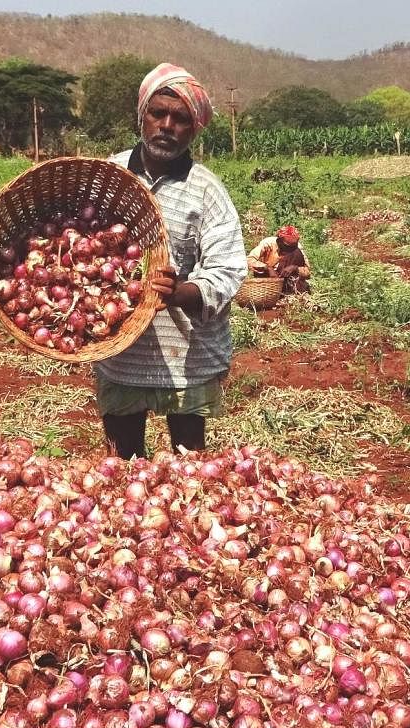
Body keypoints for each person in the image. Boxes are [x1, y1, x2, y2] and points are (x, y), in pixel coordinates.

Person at [97, 63, 247, 459]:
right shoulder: (107, 175)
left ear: (194, 128)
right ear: (141, 116)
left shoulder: (206, 190)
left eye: (180, 118)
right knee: (123, 462)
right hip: (121, 354)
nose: (166, 125)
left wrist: (181, 292)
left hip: (187, 354)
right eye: (157, 113)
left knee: (188, 464)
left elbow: (228, 268)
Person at [247, 225, 311, 294]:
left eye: (292, 247)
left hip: (286, 281)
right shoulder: (268, 243)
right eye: (287, 246)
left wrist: (295, 268)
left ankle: (289, 290)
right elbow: (249, 260)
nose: (289, 249)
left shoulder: (297, 248)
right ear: (279, 241)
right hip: (266, 280)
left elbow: (307, 272)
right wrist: (267, 268)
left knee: (297, 253)